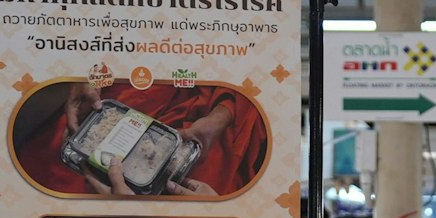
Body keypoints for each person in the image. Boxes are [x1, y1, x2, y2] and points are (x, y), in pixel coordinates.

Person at [19, 79, 267, 199]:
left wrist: (222, 117)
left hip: (212, 141)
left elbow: (256, 74)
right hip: (117, 102)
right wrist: (84, 76)